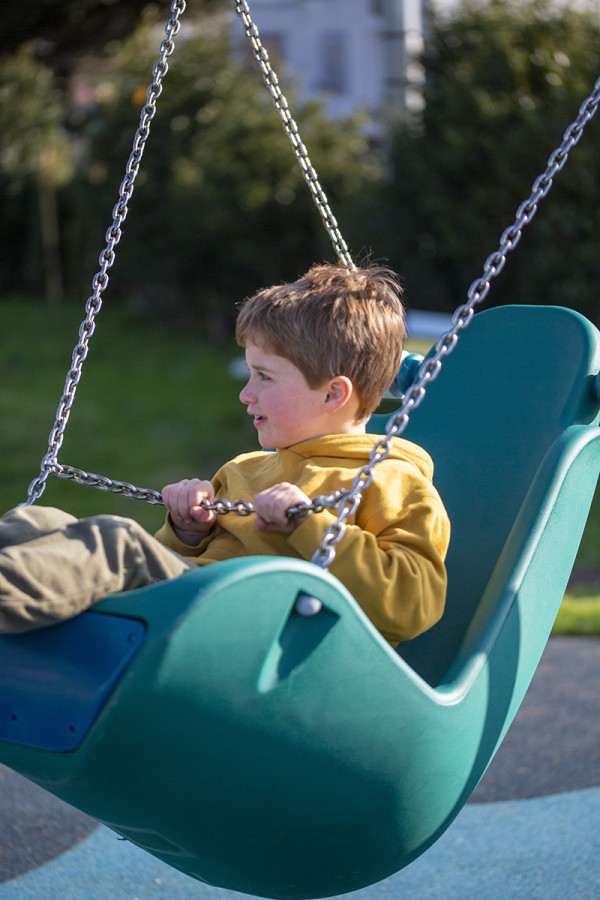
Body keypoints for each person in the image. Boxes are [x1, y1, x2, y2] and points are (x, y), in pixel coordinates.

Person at [0, 263, 450, 647]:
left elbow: (413, 603)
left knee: (115, 544)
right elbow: (169, 563)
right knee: (37, 524)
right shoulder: (244, 470)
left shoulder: (393, 481)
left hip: (262, 640)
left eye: (264, 378)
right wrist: (186, 532)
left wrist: (308, 524)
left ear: (334, 394)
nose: (245, 394)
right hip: (197, 610)